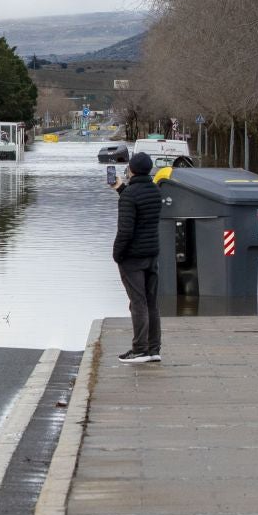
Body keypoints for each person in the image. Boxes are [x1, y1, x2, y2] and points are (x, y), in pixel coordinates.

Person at [111, 150, 162, 363]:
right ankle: (153, 349)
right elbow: (139, 206)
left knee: (137, 302)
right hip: (152, 254)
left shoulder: (131, 195)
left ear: (130, 170)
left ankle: (139, 349)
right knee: (151, 302)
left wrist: (117, 254)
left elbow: (126, 231)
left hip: (132, 257)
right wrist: (120, 188)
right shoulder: (154, 191)